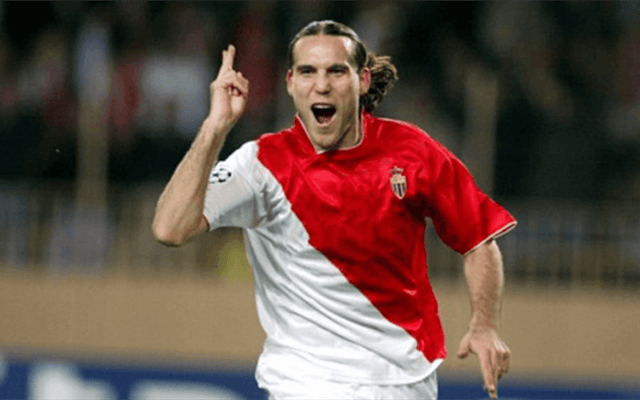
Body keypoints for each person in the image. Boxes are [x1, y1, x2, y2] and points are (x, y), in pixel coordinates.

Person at [152, 20, 516, 400]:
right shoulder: (260, 166)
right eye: (308, 71)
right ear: (291, 83)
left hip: (405, 384)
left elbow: (479, 239)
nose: (321, 85)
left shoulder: (412, 151)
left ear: (363, 81)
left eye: (336, 71)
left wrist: (484, 325)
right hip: (305, 385)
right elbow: (169, 228)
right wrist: (215, 127)